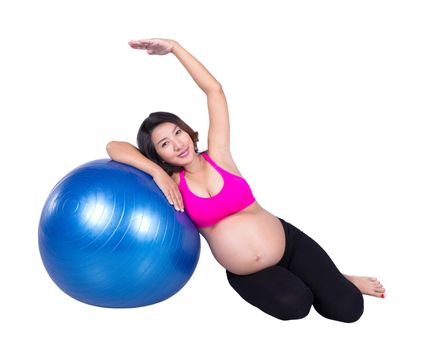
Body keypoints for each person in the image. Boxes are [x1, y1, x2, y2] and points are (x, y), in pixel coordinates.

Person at [106, 38, 386, 322]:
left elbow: (214, 90)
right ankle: (318, 280)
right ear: (158, 154)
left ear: (188, 132)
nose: (177, 144)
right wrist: (155, 172)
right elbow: (114, 146)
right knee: (296, 305)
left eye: (178, 132)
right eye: (164, 143)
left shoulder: (219, 153)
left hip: (288, 243)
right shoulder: (171, 182)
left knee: (349, 309)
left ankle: (340, 279)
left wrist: (175, 48)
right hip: (249, 272)